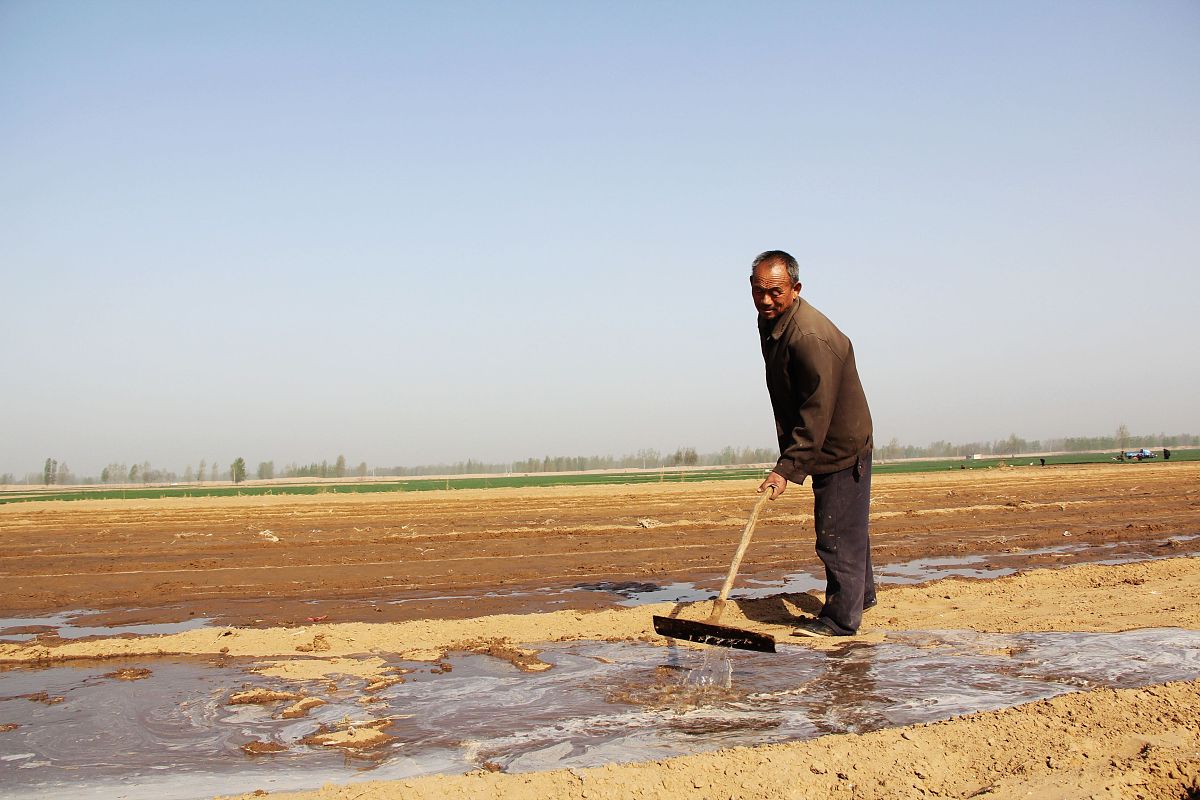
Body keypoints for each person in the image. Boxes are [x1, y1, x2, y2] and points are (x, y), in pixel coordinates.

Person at [750, 250, 875, 637]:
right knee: (847, 527)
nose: (766, 300)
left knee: (836, 534)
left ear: (796, 289)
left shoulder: (808, 336)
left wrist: (786, 468)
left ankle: (840, 620)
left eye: (776, 292)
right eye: (758, 291)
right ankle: (862, 595)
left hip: (839, 444)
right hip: (821, 439)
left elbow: (816, 411)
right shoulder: (772, 321)